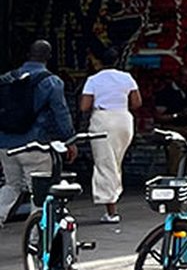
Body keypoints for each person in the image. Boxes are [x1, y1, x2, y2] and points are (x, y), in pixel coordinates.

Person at [0, 42, 74, 224]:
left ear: (28, 54)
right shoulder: (51, 82)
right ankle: (37, 234)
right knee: (39, 191)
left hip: (6, 144)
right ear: (49, 57)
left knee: (12, 185)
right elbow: (61, 114)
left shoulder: (7, 78)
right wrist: (69, 140)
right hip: (35, 144)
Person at [78, 64, 143, 224]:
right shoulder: (127, 77)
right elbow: (136, 103)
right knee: (115, 163)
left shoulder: (93, 80)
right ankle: (113, 196)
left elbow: (84, 106)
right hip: (124, 120)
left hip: (103, 119)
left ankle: (111, 210)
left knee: (105, 164)